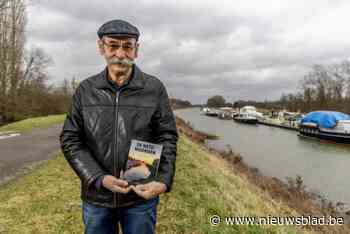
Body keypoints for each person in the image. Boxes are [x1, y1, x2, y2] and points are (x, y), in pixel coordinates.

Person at [60, 19, 178, 234]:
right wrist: (98, 177)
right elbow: (70, 140)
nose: (120, 54)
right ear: (101, 47)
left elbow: (167, 137)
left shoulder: (154, 88)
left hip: (140, 198)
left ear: (136, 50)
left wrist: (163, 180)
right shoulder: (85, 90)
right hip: (97, 198)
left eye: (127, 46)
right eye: (113, 45)